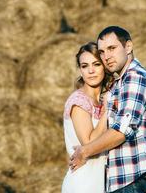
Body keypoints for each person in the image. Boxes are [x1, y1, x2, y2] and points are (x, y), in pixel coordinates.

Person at [70, 26, 146, 193]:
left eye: (112, 48)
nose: (107, 56)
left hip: (132, 176)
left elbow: (123, 130)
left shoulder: (135, 77)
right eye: (102, 52)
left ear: (128, 47)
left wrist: (84, 151)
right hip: (125, 179)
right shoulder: (121, 83)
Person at [61, 42, 111, 193]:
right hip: (83, 184)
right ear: (80, 70)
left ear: (105, 66)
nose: (91, 71)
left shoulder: (104, 99)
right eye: (84, 66)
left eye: (96, 64)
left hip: (103, 183)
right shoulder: (79, 101)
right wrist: (107, 111)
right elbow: (89, 143)